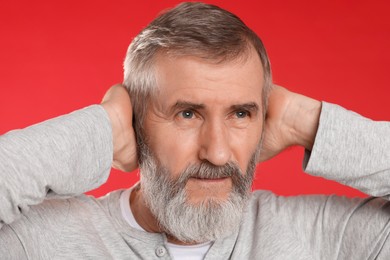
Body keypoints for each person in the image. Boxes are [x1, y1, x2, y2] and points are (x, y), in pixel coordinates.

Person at [0, 2, 389, 259]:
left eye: (240, 114)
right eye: (188, 114)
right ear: (136, 120)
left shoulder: (320, 238)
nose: (217, 153)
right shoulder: (43, 242)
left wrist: (304, 121)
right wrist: (99, 129)